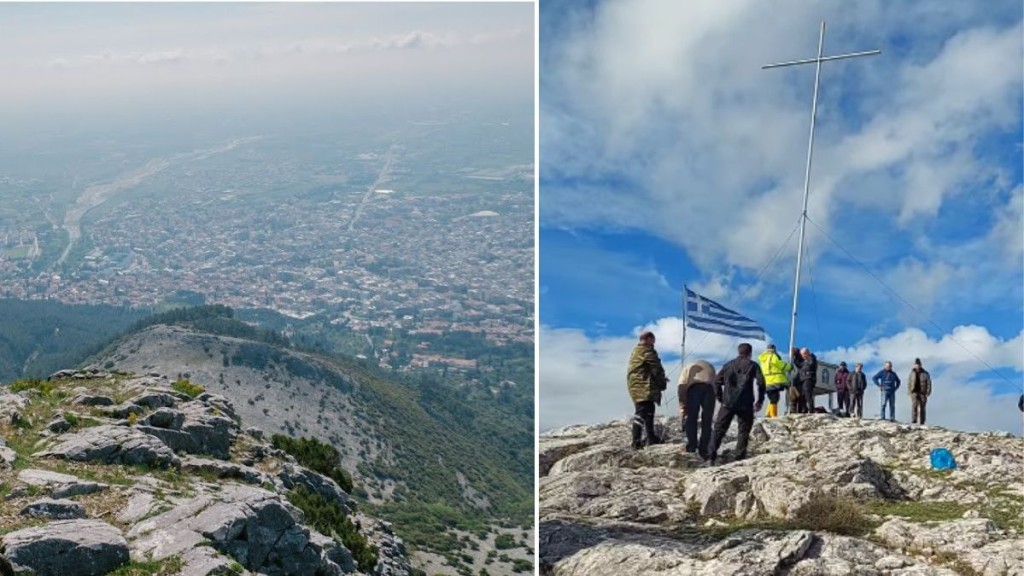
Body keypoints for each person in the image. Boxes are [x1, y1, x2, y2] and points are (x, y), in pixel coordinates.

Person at [707, 343, 765, 464]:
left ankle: (710, 457)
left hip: (727, 402)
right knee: (744, 430)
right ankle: (739, 457)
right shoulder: (753, 365)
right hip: (746, 403)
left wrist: (720, 397)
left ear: (739, 352)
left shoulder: (728, 365)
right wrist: (760, 400)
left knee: (718, 429)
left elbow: (716, 382)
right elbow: (761, 383)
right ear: (750, 353)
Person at [627, 330, 668, 449]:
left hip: (636, 386)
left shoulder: (636, 351)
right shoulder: (647, 351)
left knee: (649, 410)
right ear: (650, 339)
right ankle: (636, 442)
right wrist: (662, 383)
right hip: (643, 386)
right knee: (642, 412)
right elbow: (656, 368)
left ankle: (651, 438)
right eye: (653, 341)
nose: (654, 343)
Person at [678, 360, 716, 459]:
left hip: (694, 388)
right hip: (709, 389)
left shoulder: (687, 367)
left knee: (691, 419)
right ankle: (704, 449)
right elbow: (715, 383)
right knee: (707, 420)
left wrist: (683, 404)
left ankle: (691, 447)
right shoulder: (710, 365)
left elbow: (681, 387)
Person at [757, 343, 791, 418]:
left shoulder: (763, 359)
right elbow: (779, 364)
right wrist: (789, 367)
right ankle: (773, 416)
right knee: (774, 398)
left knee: (772, 397)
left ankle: (768, 414)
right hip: (775, 380)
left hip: (767, 381)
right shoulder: (772, 356)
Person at [791, 347, 818, 413]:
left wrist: (806, 359)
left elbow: (811, 364)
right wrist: (795, 354)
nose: (802, 356)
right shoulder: (804, 361)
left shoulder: (811, 358)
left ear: (806, 353)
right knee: (802, 395)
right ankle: (804, 410)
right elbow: (799, 364)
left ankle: (811, 410)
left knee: (808, 394)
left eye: (803, 354)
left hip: (808, 378)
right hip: (803, 379)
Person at [907, 358, 932, 425]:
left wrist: (928, 392)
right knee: (914, 405)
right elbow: (909, 382)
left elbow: (929, 383)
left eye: (919, 365)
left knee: (922, 407)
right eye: (916, 365)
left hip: (922, 392)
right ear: (914, 365)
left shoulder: (925, 373)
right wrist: (909, 391)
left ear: (921, 365)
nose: (917, 366)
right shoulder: (912, 373)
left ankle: (922, 421)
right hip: (914, 391)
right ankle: (914, 420)